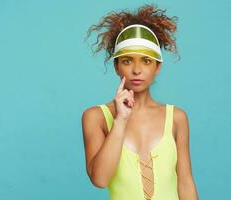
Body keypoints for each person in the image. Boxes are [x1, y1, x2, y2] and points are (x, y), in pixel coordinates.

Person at [81, 4, 199, 200]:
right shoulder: (96, 117)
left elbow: (185, 183)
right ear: (117, 67)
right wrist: (120, 121)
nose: (137, 70)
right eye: (127, 61)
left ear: (157, 67)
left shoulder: (177, 118)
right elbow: (100, 179)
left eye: (146, 61)